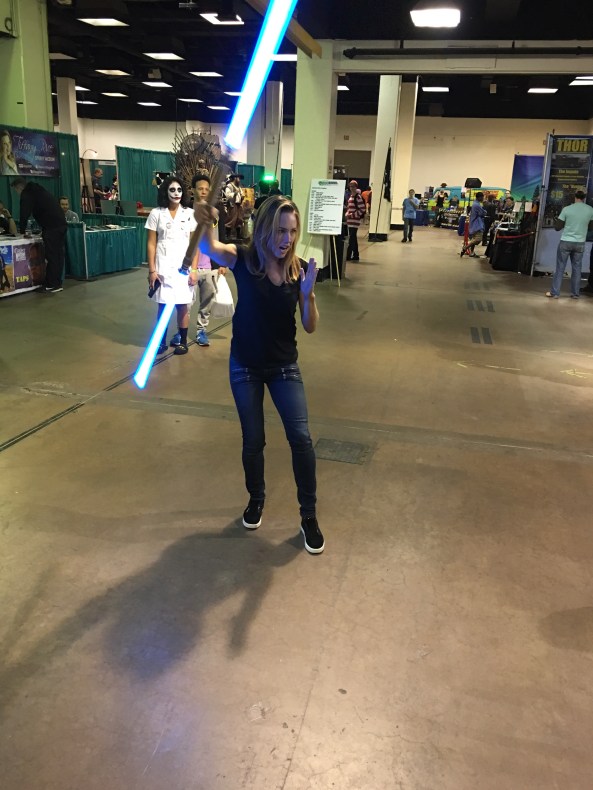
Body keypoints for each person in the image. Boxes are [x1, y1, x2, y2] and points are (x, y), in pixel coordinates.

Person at [193, 195, 324, 555]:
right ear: (266, 227)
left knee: (301, 438)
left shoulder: (297, 269)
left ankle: (309, 516)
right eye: (281, 230)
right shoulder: (245, 257)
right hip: (245, 366)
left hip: (284, 367)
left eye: (292, 232)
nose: (287, 239)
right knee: (253, 440)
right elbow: (210, 248)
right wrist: (206, 220)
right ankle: (256, 498)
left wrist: (309, 296)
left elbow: (310, 326)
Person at [145, 176, 198, 355]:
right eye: (172, 190)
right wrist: (152, 270)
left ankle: (183, 341)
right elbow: (151, 243)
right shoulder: (156, 213)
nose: (176, 193)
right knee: (163, 305)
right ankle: (161, 342)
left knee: (182, 305)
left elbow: (195, 245)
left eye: (179, 190)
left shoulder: (190, 214)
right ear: (165, 192)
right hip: (162, 267)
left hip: (184, 268)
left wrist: (194, 270)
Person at [11, 177, 67, 293]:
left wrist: (22, 231)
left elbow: (24, 213)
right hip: (60, 224)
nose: (17, 193)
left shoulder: (27, 194)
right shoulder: (39, 190)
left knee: (52, 256)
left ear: (19, 188)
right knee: (58, 255)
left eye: (16, 191)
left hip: (52, 228)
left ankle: (52, 285)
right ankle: (57, 282)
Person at [190, 173, 227, 347]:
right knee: (185, 303)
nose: (204, 192)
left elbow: (222, 237)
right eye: (200, 189)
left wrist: (222, 262)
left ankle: (201, 331)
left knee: (207, 301)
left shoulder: (216, 212)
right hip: (190, 266)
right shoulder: (187, 213)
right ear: (193, 190)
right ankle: (181, 331)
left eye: (207, 189)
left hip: (210, 265)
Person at [546, 190, 593, 299]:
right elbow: (591, 227)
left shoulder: (567, 209)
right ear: (584, 197)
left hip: (566, 241)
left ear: (575, 197)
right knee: (577, 269)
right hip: (580, 243)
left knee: (560, 268)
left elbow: (557, 227)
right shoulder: (590, 210)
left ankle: (555, 293)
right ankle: (575, 294)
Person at [460, 191, 486, 258]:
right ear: (479, 197)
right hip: (477, 224)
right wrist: (485, 211)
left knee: (473, 238)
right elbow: (482, 213)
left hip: (474, 223)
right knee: (478, 239)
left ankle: (472, 252)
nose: (483, 198)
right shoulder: (477, 205)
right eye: (482, 197)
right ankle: (465, 248)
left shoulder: (475, 203)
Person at [345, 179, 366, 261]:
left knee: (351, 239)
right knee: (352, 238)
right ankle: (355, 255)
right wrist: (347, 214)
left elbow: (362, 209)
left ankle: (350, 255)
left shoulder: (358, 197)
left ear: (356, 187)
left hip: (354, 221)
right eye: (350, 186)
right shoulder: (351, 196)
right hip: (350, 221)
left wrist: (351, 215)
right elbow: (349, 208)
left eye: (353, 186)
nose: (351, 188)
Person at [224, 173, 244, 240]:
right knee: (231, 219)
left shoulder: (239, 187)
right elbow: (227, 195)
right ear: (235, 178)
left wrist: (242, 196)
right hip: (233, 204)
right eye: (238, 178)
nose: (239, 180)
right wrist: (235, 193)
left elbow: (241, 194)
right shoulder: (230, 186)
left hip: (239, 205)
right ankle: (228, 235)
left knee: (239, 219)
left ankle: (238, 235)